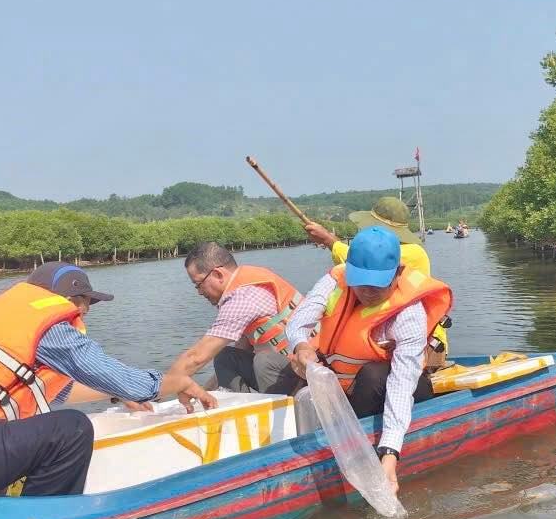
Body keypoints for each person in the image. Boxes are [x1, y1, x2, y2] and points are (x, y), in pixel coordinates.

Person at [0, 261, 217, 509]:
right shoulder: (47, 319)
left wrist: (116, 394)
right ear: (70, 300)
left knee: (44, 427)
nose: (86, 312)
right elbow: (104, 370)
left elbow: (53, 392)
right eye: (85, 302)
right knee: (72, 429)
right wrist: (166, 384)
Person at [286, 227, 453, 493]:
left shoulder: (409, 314)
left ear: (397, 273)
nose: (367, 292)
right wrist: (302, 348)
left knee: (373, 374)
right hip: (348, 387)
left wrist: (389, 454)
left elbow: (401, 386)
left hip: (401, 389)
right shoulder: (335, 281)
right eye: (360, 282)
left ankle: (364, 443)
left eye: (377, 284)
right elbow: (297, 324)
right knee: (295, 376)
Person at [302, 196, 451, 367]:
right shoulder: (387, 252)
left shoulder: (413, 253)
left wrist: (328, 240)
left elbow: (363, 262)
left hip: (424, 346)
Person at [170, 242, 304, 395]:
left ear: (218, 274)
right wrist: (204, 392)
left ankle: (279, 410)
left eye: (199, 284)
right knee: (225, 357)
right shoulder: (247, 287)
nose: (199, 292)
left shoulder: (243, 296)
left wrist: (157, 391)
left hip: (305, 372)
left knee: (263, 360)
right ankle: (239, 409)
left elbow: (196, 357)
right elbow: (239, 351)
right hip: (284, 369)